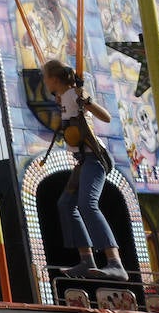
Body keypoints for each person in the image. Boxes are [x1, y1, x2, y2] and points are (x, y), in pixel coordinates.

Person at [43, 59, 128, 281]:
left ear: (53, 79)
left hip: (95, 159)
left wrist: (85, 100)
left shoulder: (74, 94)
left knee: (87, 205)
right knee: (66, 204)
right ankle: (86, 259)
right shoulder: (64, 97)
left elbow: (106, 118)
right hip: (83, 161)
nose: (44, 83)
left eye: (45, 78)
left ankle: (114, 262)